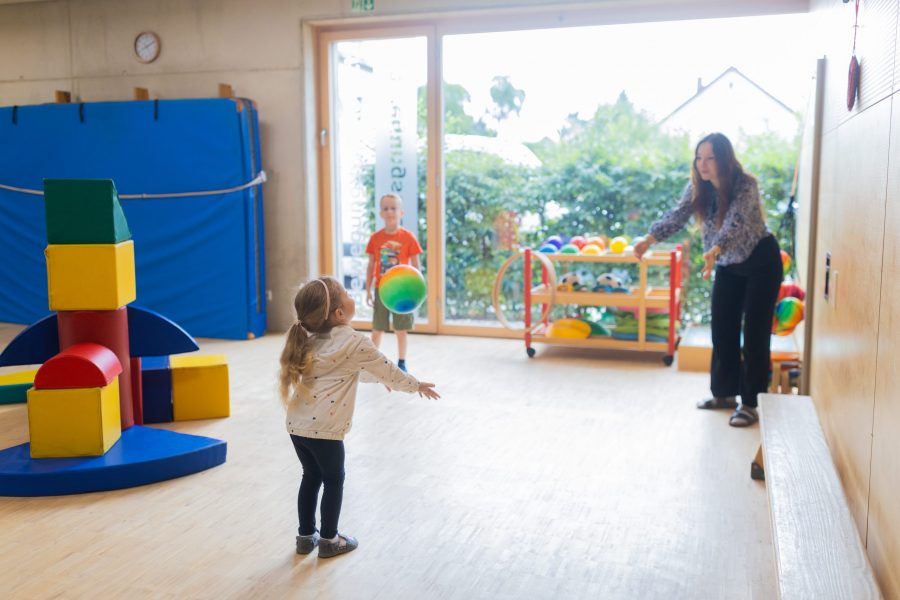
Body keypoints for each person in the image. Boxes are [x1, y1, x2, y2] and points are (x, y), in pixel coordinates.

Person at [279, 277, 440, 558]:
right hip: (325, 430)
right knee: (333, 479)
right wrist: (415, 385)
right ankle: (330, 540)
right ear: (340, 313)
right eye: (347, 294)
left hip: (297, 425)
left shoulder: (311, 340)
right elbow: (388, 369)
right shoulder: (354, 341)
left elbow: (346, 371)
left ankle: (306, 537)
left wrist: (378, 380)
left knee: (311, 475)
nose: (352, 296)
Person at [633, 132, 782, 427]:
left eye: (710, 157)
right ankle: (724, 393)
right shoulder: (698, 188)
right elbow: (677, 215)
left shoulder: (745, 185)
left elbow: (735, 222)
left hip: (761, 261)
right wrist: (648, 239)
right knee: (722, 328)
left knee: (754, 333)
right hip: (727, 263)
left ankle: (750, 402)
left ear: (725, 160)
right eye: (699, 157)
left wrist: (715, 247)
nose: (703, 164)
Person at [365, 193, 424, 372]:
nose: (390, 211)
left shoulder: (408, 237)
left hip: (404, 292)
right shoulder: (375, 238)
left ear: (401, 213)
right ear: (381, 213)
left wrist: (418, 291)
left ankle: (402, 362)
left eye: (393, 208)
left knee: (401, 329)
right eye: (386, 208)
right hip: (381, 289)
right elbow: (371, 264)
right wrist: (367, 289)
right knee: (377, 328)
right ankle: (374, 363)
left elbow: (416, 266)